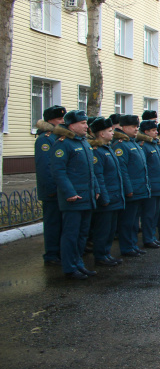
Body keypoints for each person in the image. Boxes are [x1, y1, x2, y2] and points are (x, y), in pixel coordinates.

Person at [50, 110, 100, 279]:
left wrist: (96, 190)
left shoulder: (84, 143)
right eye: (82, 123)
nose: (87, 126)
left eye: (86, 123)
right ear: (71, 125)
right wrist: (69, 192)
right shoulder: (63, 144)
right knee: (71, 234)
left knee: (82, 234)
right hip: (74, 198)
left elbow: (90, 171)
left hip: (87, 196)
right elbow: (58, 171)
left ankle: (79, 263)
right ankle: (70, 267)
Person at [89, 117, 124, 266]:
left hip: (115, 195)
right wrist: (104, 197)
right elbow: (99, 176)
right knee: (103, 229)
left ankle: (106, 253)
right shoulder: (97, 151)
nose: (113, 133)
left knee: (110, 229)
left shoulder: (108, 149)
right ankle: (100, 255)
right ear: (101, 134)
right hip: (107, 196)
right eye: (110, 131)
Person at [114, 114, 151, 257]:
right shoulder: (121, 145)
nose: (136, 129)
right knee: (127, 221)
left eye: (137, 127)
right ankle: (126, 246)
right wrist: (128, 189)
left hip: (139, 188)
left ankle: (132, 244)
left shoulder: (133, 142)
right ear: (124, 127)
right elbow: (122, 170)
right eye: (133, 127)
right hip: (132, 190)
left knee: (134, 221)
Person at [35, 104, 67, 266]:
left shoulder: (58, 136)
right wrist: (52, 189)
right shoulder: (45, 139)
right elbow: (45, 168)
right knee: (53, 223)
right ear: (49, 120)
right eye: (59, 118)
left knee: (62, 222)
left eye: (63, 118)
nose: (62, 121)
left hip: (61, 189)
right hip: (52, 190)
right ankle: (52, 253)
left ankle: (61, 250)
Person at [138, 120, 160, 249]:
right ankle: (148, 238)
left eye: (156, 130)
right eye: (153, 130)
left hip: (158, 184)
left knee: (155, 213)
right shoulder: (144, 145)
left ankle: (152, 237)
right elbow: (144, 168)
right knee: (148, 215)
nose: (156, 132)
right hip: (151, 185)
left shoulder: (155, 144)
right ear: (146, 132)